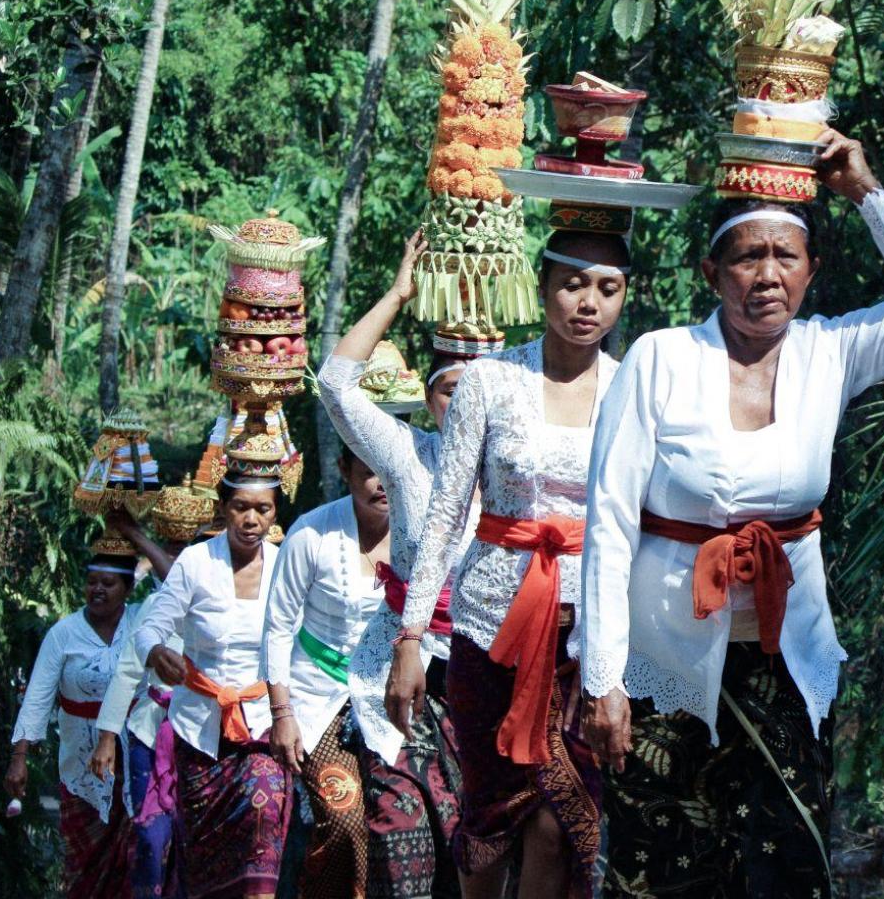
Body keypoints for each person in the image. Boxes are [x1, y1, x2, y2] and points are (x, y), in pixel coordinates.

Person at [579, 131, 884, 897]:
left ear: (811, 270)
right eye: (747, 257)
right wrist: (601, 679)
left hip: (782, 654)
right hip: (664, 657)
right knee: (665, 868)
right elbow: (608, 521)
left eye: (785, 256)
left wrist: (862, 191)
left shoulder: (832, 352)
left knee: (785, 859)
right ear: (711, 272)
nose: (766, 275)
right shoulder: (660, 359)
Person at [391, 228, 631, 898]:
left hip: (587, 636)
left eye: (607, 289)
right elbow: (446, 512)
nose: (588, 303)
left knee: (560, 820)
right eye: (572, 284)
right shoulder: (490, 380)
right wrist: (411, 637)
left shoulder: (634, 387)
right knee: (490, 816)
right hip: (488, 629)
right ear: (542, 286)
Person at [316, 231, 491, 898]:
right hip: (401, 669)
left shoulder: (518, 472)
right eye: (451, 392)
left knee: (477, 851)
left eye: (479, 391)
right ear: (429, 397)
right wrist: (397, 294)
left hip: (489, 675)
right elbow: (335, 383)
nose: (464, 406)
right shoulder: (408, 456)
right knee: (401, 831)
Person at [262, 443, 413, 898]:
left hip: (392, 699)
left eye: (389, 470)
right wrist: (282, 714)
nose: (381, 484)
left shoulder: (421, 530)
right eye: (368, 472)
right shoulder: (312, 533)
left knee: (406, 818)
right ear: (344, 469)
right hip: (319, 699)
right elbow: (277, 628)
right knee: (345, 818)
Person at [133, 471, 291, 899]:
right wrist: (156, 652)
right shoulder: (195, 562)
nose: (251, 520)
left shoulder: (288, 564)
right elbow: (150, 629)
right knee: (204, 873)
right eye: (241, 507)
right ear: (223, 508)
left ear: (275, 512)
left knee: (263, 815)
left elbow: (304, 643)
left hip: (262, 729)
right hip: (198, 732)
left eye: (263, 509)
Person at [6, 549, 140, 899]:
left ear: (128, 588)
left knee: (137, 857)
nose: (98, 589)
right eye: (92, 582)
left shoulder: (144, 621)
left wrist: (138, 537)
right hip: (81, 764)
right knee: (83, 864)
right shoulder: (63, 634)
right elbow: (37, 697)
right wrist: (19, 758)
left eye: (108, 583)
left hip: (137, 759)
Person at [90, 512, 186, 899]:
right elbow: (128, 671)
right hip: (149, 730)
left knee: (192, 836)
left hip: (203, 732)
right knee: (150, 834)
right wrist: (106, 738)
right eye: (170, 553)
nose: (175, 562)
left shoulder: (224, 599)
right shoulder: (154, 606)